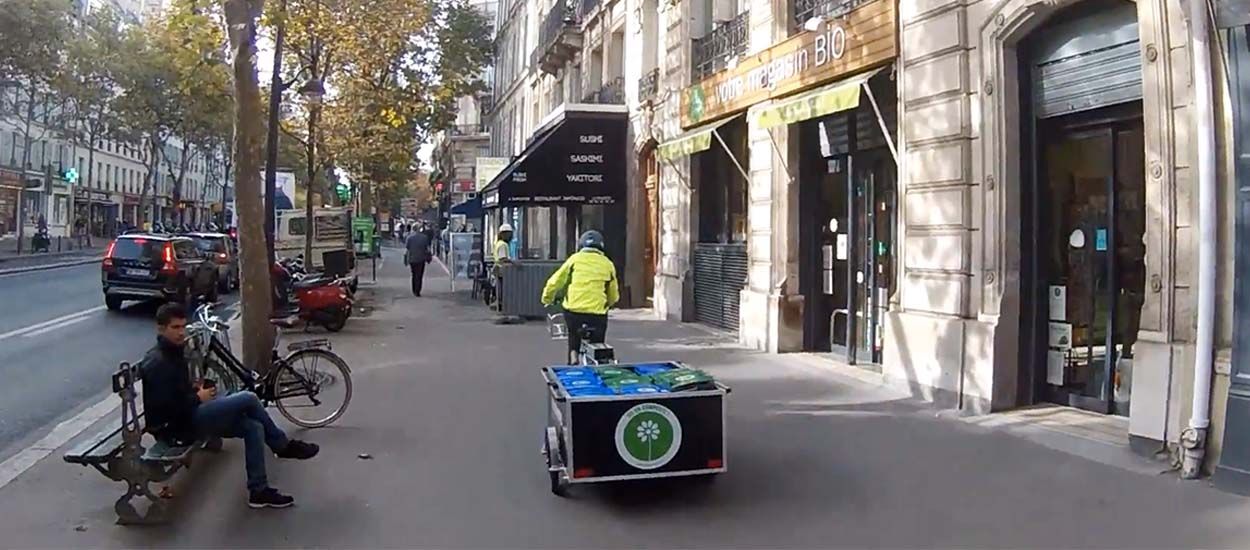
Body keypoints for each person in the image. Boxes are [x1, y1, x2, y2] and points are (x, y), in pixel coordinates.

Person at [140, 303, 320, 509]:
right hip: (176, 429)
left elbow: (177, 394)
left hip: (189, 417)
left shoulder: (172, 352)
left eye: (183, 327)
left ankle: (258, 491)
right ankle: (282, 446)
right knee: (248, 398)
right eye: (175, 328)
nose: (181, 333)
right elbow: (168, 409)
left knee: (254, 427)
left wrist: (196, 391)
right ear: (161, 329)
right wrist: (198, 398)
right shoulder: (159, 363)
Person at [541, 230, 620, 364]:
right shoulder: (607, 264)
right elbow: (613, 293)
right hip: (597, 313)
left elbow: (554, 282)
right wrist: (609, 303)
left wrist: (547, 299)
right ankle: (599, 360)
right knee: (598, 341)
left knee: (574, 334)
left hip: (574, 311)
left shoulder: (574, 260)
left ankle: (573, 355)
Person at [405, 225, 432, 297]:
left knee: (414, 274)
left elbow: (407, 249)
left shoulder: (409, 237)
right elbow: (427, 248)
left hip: (412, 259)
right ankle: (418, 290)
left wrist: (406, 259)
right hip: (421, 259)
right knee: (419, 275)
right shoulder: (424, 238)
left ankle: (414, 289)